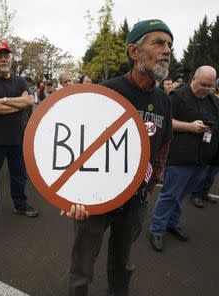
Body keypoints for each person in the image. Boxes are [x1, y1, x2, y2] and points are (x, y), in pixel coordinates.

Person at [62, 19, 174, 296]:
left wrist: (150, 185)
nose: (167, 49)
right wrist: (72, 194)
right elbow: (76, 143)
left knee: (122, 263)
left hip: (134, 201)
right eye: (158, 42)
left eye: (170, 44)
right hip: (94, 201)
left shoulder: (163, 101)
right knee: (82, 265)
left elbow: (164, 143)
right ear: (134, 52)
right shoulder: (104, 91)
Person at [149, 65, 219, 252]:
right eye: (203, 84)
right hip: (180, 157)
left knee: (182, 195)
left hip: (203, 158)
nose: (206, 89)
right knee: (170, 194)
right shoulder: (177, 97)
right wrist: (190, 126)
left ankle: (172, 223)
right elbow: (165, 122)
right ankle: (157, 229)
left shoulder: (213, 100)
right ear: (194, 79)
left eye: (210, 85)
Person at [0, 40, 38, 236]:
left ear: (10, 58)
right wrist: (16, 104)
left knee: (19, 177)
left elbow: (29, 101)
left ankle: (20, 205)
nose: (3, 59)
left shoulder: (19, 81)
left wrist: (2, 101)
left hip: (16, 140)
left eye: (6, 55)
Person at [190, 75, 219, 207]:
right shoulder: (211, 100)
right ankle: (195, 194)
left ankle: (204, 192)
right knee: (204, 168)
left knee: (216, 168)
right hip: (213, 138)